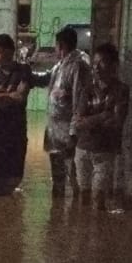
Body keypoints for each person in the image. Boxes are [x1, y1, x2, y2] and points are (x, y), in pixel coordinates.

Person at [33, 25, 91, 197]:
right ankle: (57, 211)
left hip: (68, 129)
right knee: (57, 171)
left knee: (74, 171)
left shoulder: (78, 66)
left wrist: (74, 132)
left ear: (62, 46)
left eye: (56, 46)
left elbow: (80, 100)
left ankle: (77, 209)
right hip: (54, 129)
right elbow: (45, 79)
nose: (55, 50)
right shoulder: (60, 65)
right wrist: (25, 74)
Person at [74, 43, 130, 211]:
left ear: (114, 65)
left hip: (105, 150)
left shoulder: (121, 90)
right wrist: (102, 116)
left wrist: (89, 120)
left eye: (102, 63)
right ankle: (83, 233)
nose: (96, 68)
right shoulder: (87, 89)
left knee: (99, 198)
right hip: (82, 147)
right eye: (95, 63)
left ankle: (98, 232)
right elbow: (78, 121)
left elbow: (117, 120)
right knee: (83, 195)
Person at [0, 34, 33, 189]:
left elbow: (21, 97)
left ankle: (13, 210)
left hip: (16, 129)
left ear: (9, 52)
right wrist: (9, 95)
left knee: (15, 173)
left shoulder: (23, 70)